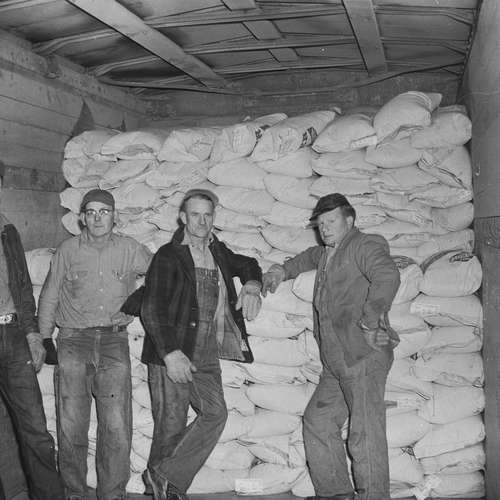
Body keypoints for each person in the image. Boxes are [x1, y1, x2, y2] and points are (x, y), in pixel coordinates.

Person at [262, 193, 400, 500]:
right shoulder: (328, 252)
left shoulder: (364, 245)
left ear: (349, 221)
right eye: (320, 223)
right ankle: (336, 493)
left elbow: (387, 275)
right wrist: (282, 270)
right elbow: (307, 257)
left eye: (331, 221)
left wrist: (372, 317)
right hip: (336, 363)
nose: (324, 228)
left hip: (362, 356)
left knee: (364, 435)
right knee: (318, 421)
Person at [136, 188, 262, 500]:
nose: (202, 222)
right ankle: (166, 488)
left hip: (206, 349)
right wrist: (170, 353)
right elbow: (151, 308)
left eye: (207, 215)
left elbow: (247, 263)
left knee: (216, 413)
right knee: (171, 424)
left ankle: (162, 477)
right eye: (195, 215)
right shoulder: (168, 255)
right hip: (173, 349)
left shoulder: (218, 251)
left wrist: (251, 284)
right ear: (183, 218)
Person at [38, 189, 152, 500]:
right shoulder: (68, 250)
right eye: (91, 212)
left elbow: (162, 271)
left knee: (116, 426)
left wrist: (143, 294)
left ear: (115, 216)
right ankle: (74, 493)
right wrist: (45, 337)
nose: (98, 218)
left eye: (104, 212)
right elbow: (49, 293)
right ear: (82, 218)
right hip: (73, 340)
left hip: (114, 341)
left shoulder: (130, 249)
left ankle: (111, 494)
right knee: (71, 424)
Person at [0, 161, 64, 500]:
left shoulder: (7, 231)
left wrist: (34, 335)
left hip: (13, 335)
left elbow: (24, 288)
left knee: (35, 429)